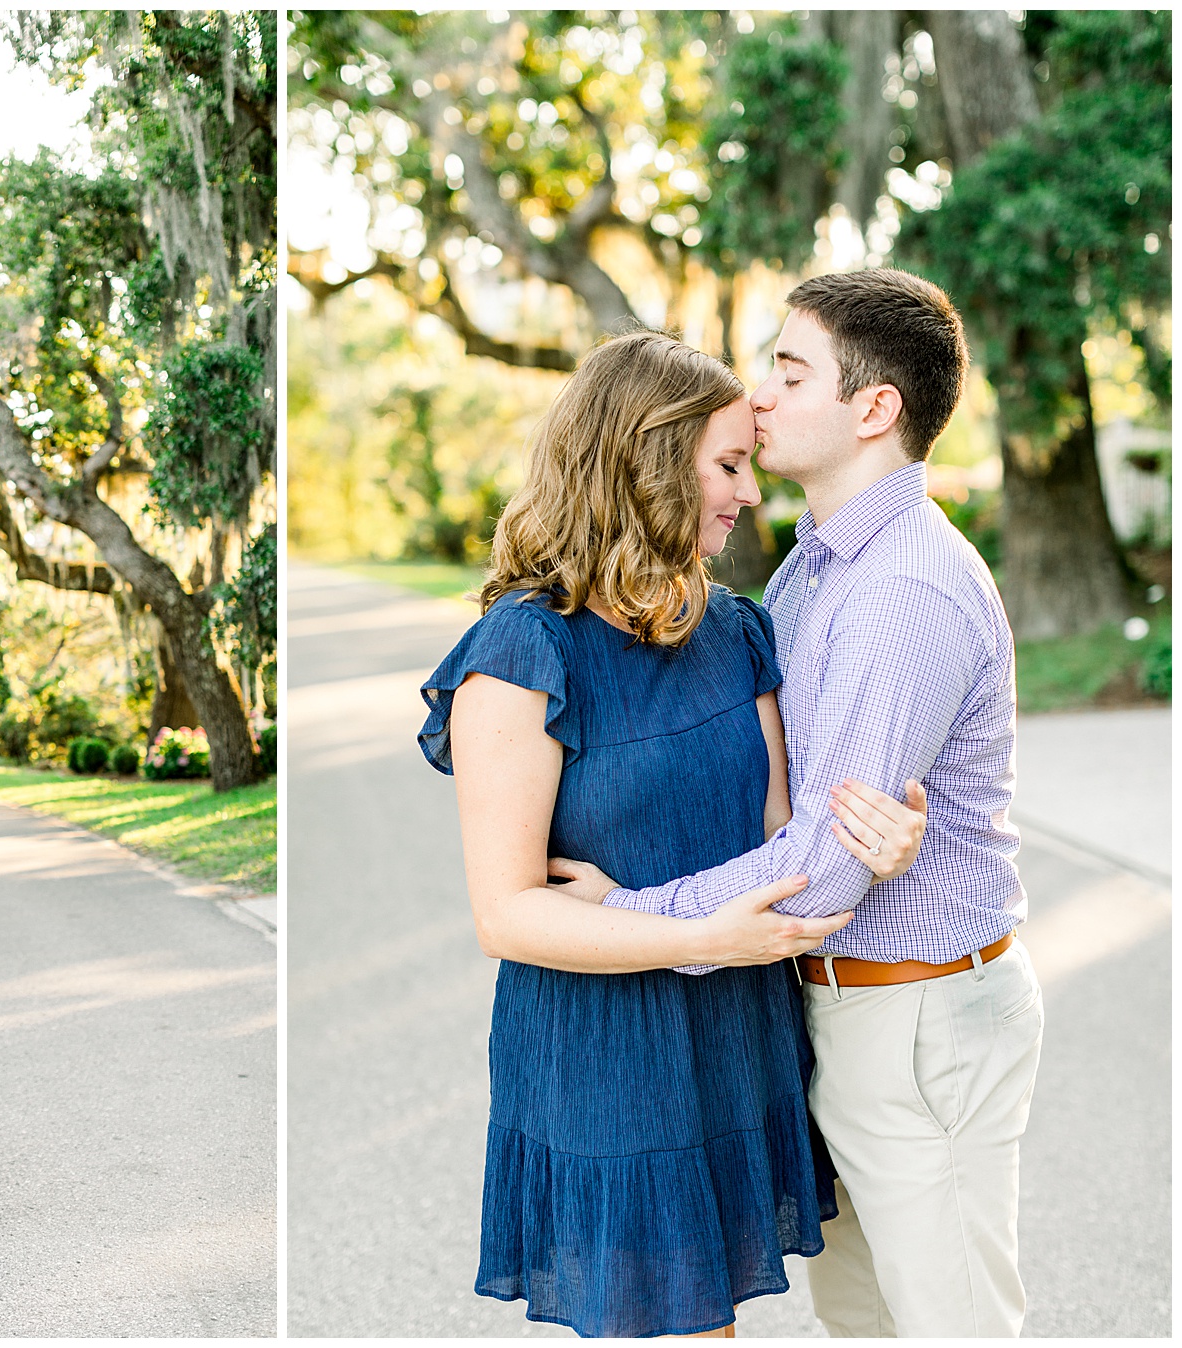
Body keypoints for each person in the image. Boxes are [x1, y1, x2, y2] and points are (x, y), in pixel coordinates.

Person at [418, 330, 929, 1337]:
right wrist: (701, 936)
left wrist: (883, 846)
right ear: (647, 458)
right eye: (728, 465)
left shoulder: (736, 628)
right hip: (613, 1059)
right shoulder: (526, 649)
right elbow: (506, 913)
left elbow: (788, 836)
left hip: (738, 1038)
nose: (748, 494)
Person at [565, 271, 1041, 1338]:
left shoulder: (901, 588)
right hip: (835, 1011)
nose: (760, 394)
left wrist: (624, 912)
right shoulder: (810, 575)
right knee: (865, 1323)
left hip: (915, 1015)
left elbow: (822, 867)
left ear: (874, 408)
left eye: (791, 371)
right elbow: (791, 799)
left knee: (956, 1323)